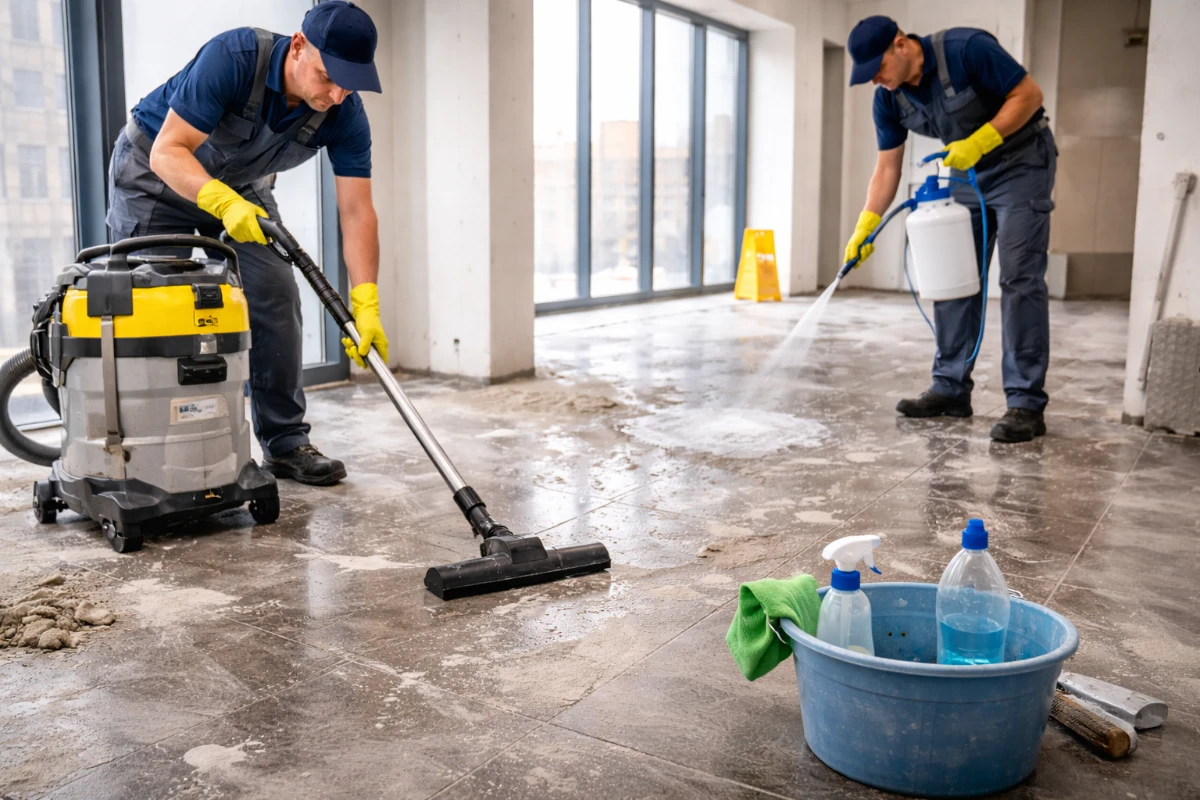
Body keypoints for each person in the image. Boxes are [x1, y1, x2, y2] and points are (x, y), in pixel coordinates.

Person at [106, 1, 389, 484]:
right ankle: (137, 450)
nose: (338, 93)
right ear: (299, 46)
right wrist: (220, 204)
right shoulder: (235, 57)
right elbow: (168, 151)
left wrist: (367, 302)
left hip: (243, 189)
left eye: (350, 82)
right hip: (155, 175)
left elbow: (357, 210)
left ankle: (285, 442)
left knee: (275, 292)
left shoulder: (345, 113)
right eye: (328, 76)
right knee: (149, 303)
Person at [844, 16, 1057, 443]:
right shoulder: (889, 98)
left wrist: (981, 141)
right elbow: (888, 167)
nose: (877, 82)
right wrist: (865, 225)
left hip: (1021, 163)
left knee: (1018, 277)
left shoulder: (966, 49)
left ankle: (1025, 404)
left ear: (901, 45)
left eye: (878, 69)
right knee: (953, 275)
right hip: (966, 173)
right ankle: (950, 388)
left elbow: (1029, 95)